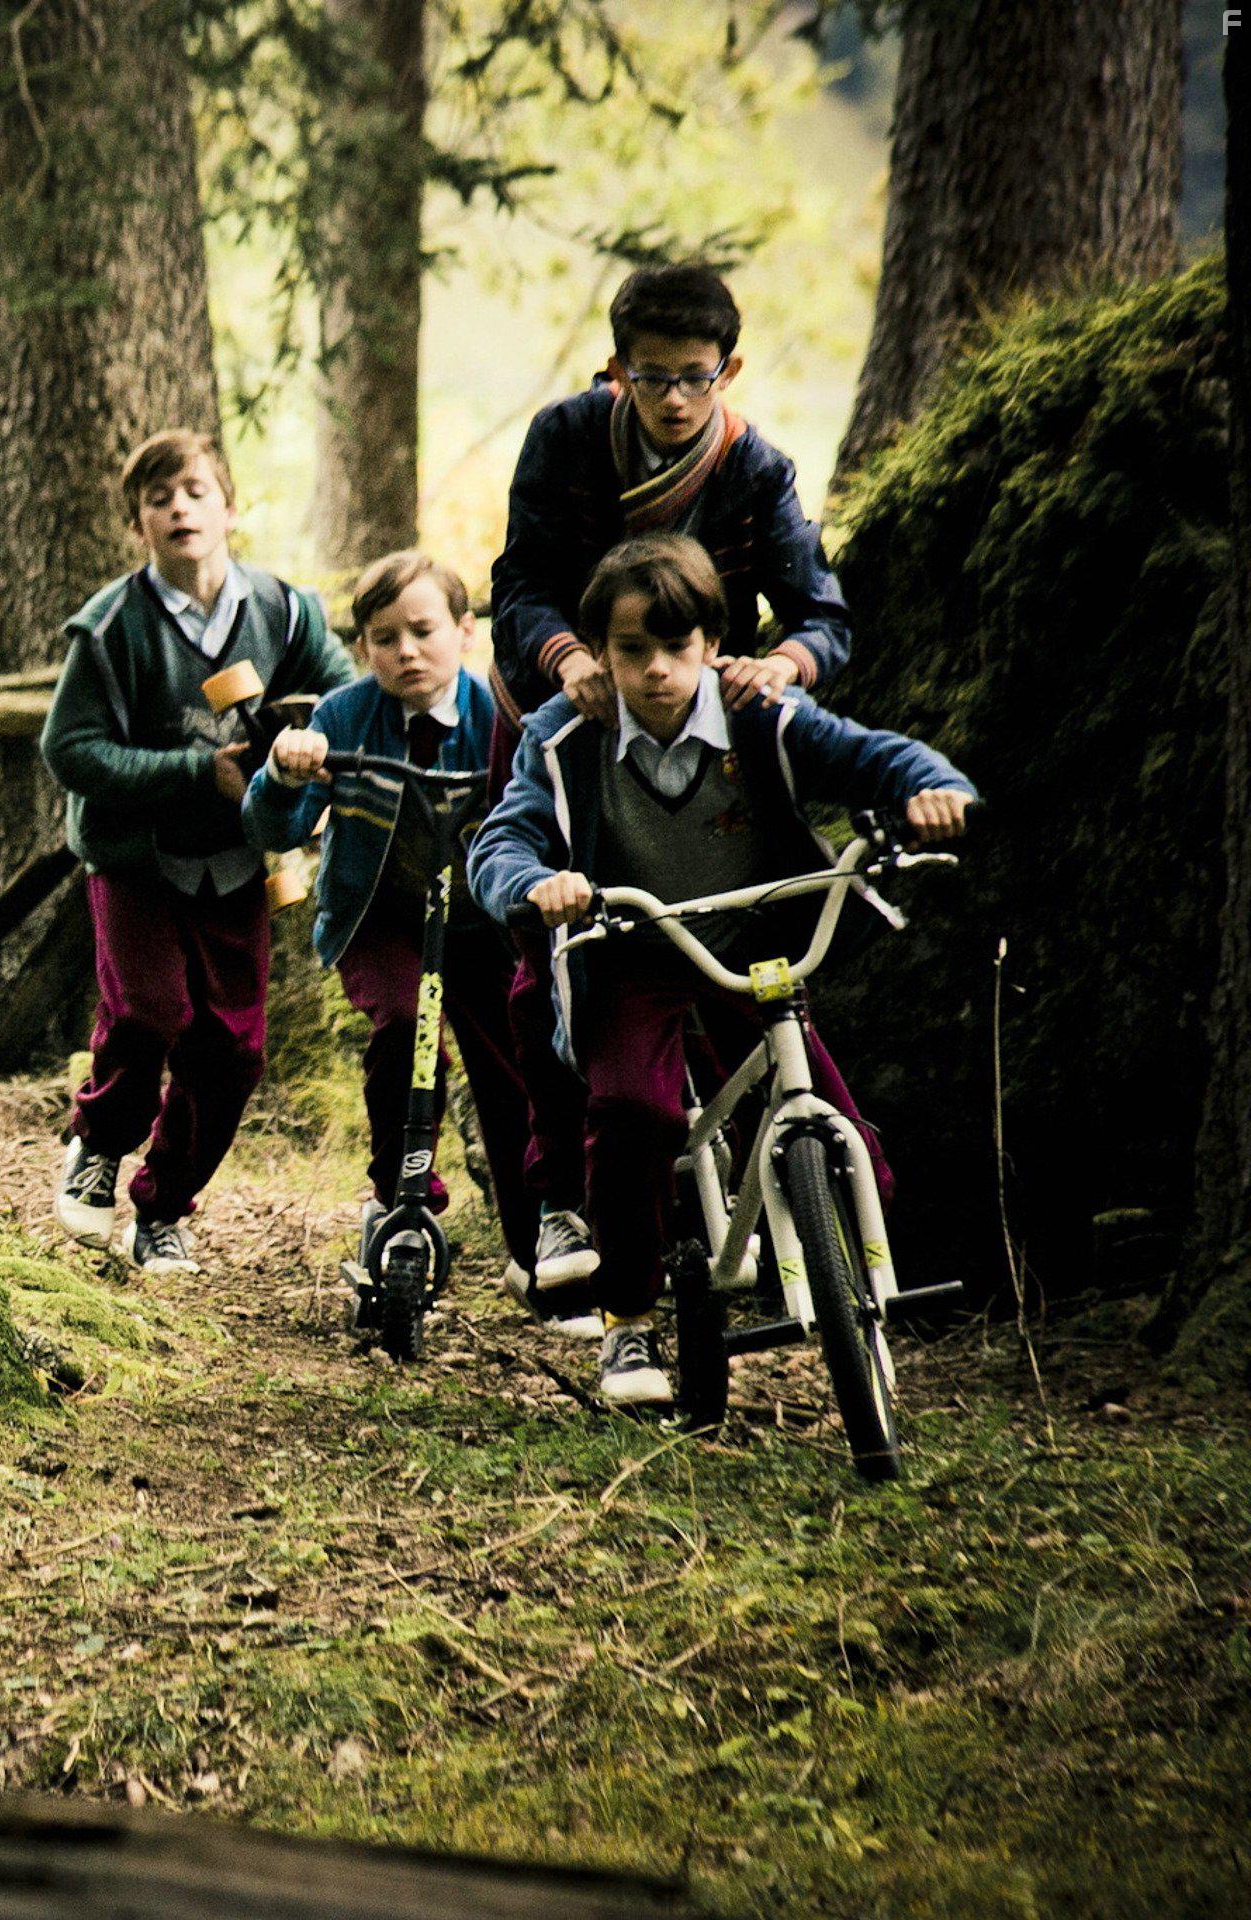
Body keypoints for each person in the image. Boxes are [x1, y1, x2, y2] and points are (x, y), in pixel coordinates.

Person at [468, 534, 974, 1410]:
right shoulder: (564, 738)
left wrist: (935, 789)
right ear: (600, 652)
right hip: (633, 948)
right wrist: (535, 882)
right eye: (633, 650)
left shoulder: (759, 712)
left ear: (712, 642)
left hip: (753, 942)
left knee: (839, 1121)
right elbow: (504, 838)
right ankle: (628, 1320)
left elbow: (875, 756)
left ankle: (857, 1284)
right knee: (632, 1112)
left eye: (678, 646)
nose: (659, 670)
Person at [482, 261, 858, 1298]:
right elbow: (517, 584)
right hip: (567, 720)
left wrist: (780, 667)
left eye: (699, 376)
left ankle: (788, 1210)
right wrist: (566, 660)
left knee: (741, 949)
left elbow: (820, 613)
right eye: (654, 378)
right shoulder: (565, 440)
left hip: (699, 730)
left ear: (729, 369)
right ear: (617, 371)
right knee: (548, 959)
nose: (678, 399)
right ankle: (560, 1195)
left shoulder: (759, 472)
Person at [40, 428, 355, 1275]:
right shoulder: (111, 629)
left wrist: (301, 751)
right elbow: (70, 750)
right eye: (157, 498)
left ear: (230, 507)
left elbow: (341, 698)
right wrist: (192, 771)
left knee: (233, 1050)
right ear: (136, 524)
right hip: (136, 858)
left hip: (240, 859)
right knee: (148, 1013)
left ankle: (163, 1206)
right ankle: (100, 1144)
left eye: (194, 491)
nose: (179, 508)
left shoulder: (285, 610)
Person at [243, 551, 568, 1321]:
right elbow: (272, 824)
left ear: (465, 631)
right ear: (363, 650)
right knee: (403, 1024)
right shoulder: (344, 716)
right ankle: (401, 1198)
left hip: (482, 921)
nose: (407, 652)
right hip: (382, 918)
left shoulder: (501, 718)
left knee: (514, 1068)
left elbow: (546, 814)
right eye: (384, 639)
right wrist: (286, 772)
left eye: (424, 631)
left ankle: (538, 1249)